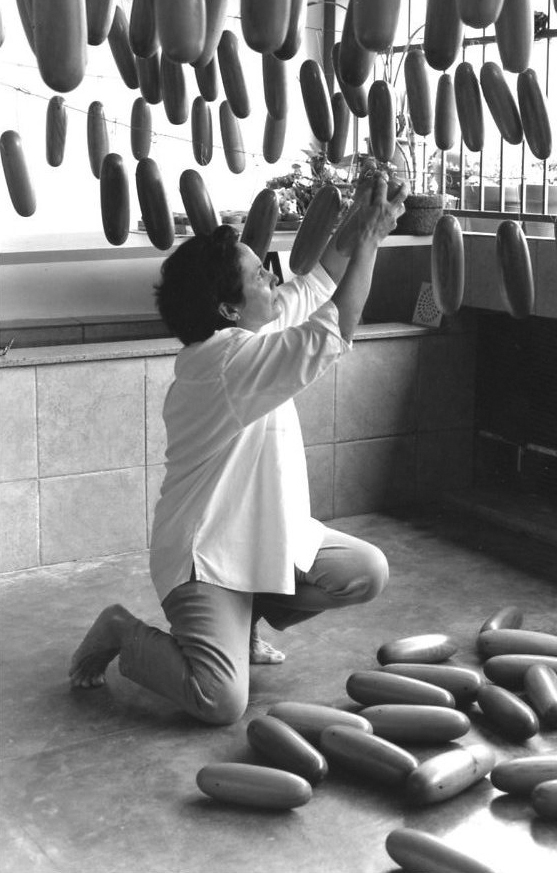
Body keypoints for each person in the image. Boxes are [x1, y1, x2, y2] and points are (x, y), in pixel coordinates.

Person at [69, 170, 407, 725]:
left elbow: (322, 281)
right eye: (259, 275)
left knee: (364, 571)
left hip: (260, 540)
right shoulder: (226, 365)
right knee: (220, 701)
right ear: (228, 309)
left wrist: (365, 220)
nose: (274, 278)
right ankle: (120, 630)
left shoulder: (248, 336)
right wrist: (369, 239)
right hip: (206, 559)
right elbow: (339, 324)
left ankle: (242, 620)